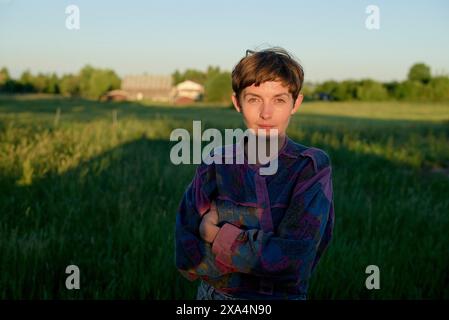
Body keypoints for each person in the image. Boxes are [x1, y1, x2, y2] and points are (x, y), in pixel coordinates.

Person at [175, 47, 335, 300]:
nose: (266, 113)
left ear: (296, 103)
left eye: (279, 100)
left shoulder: (310, 167)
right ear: (237, 102)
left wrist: (215, 235)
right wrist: (254, 257)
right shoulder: (216, 161)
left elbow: (294, 260)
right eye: (254, 99)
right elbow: (187, 251)